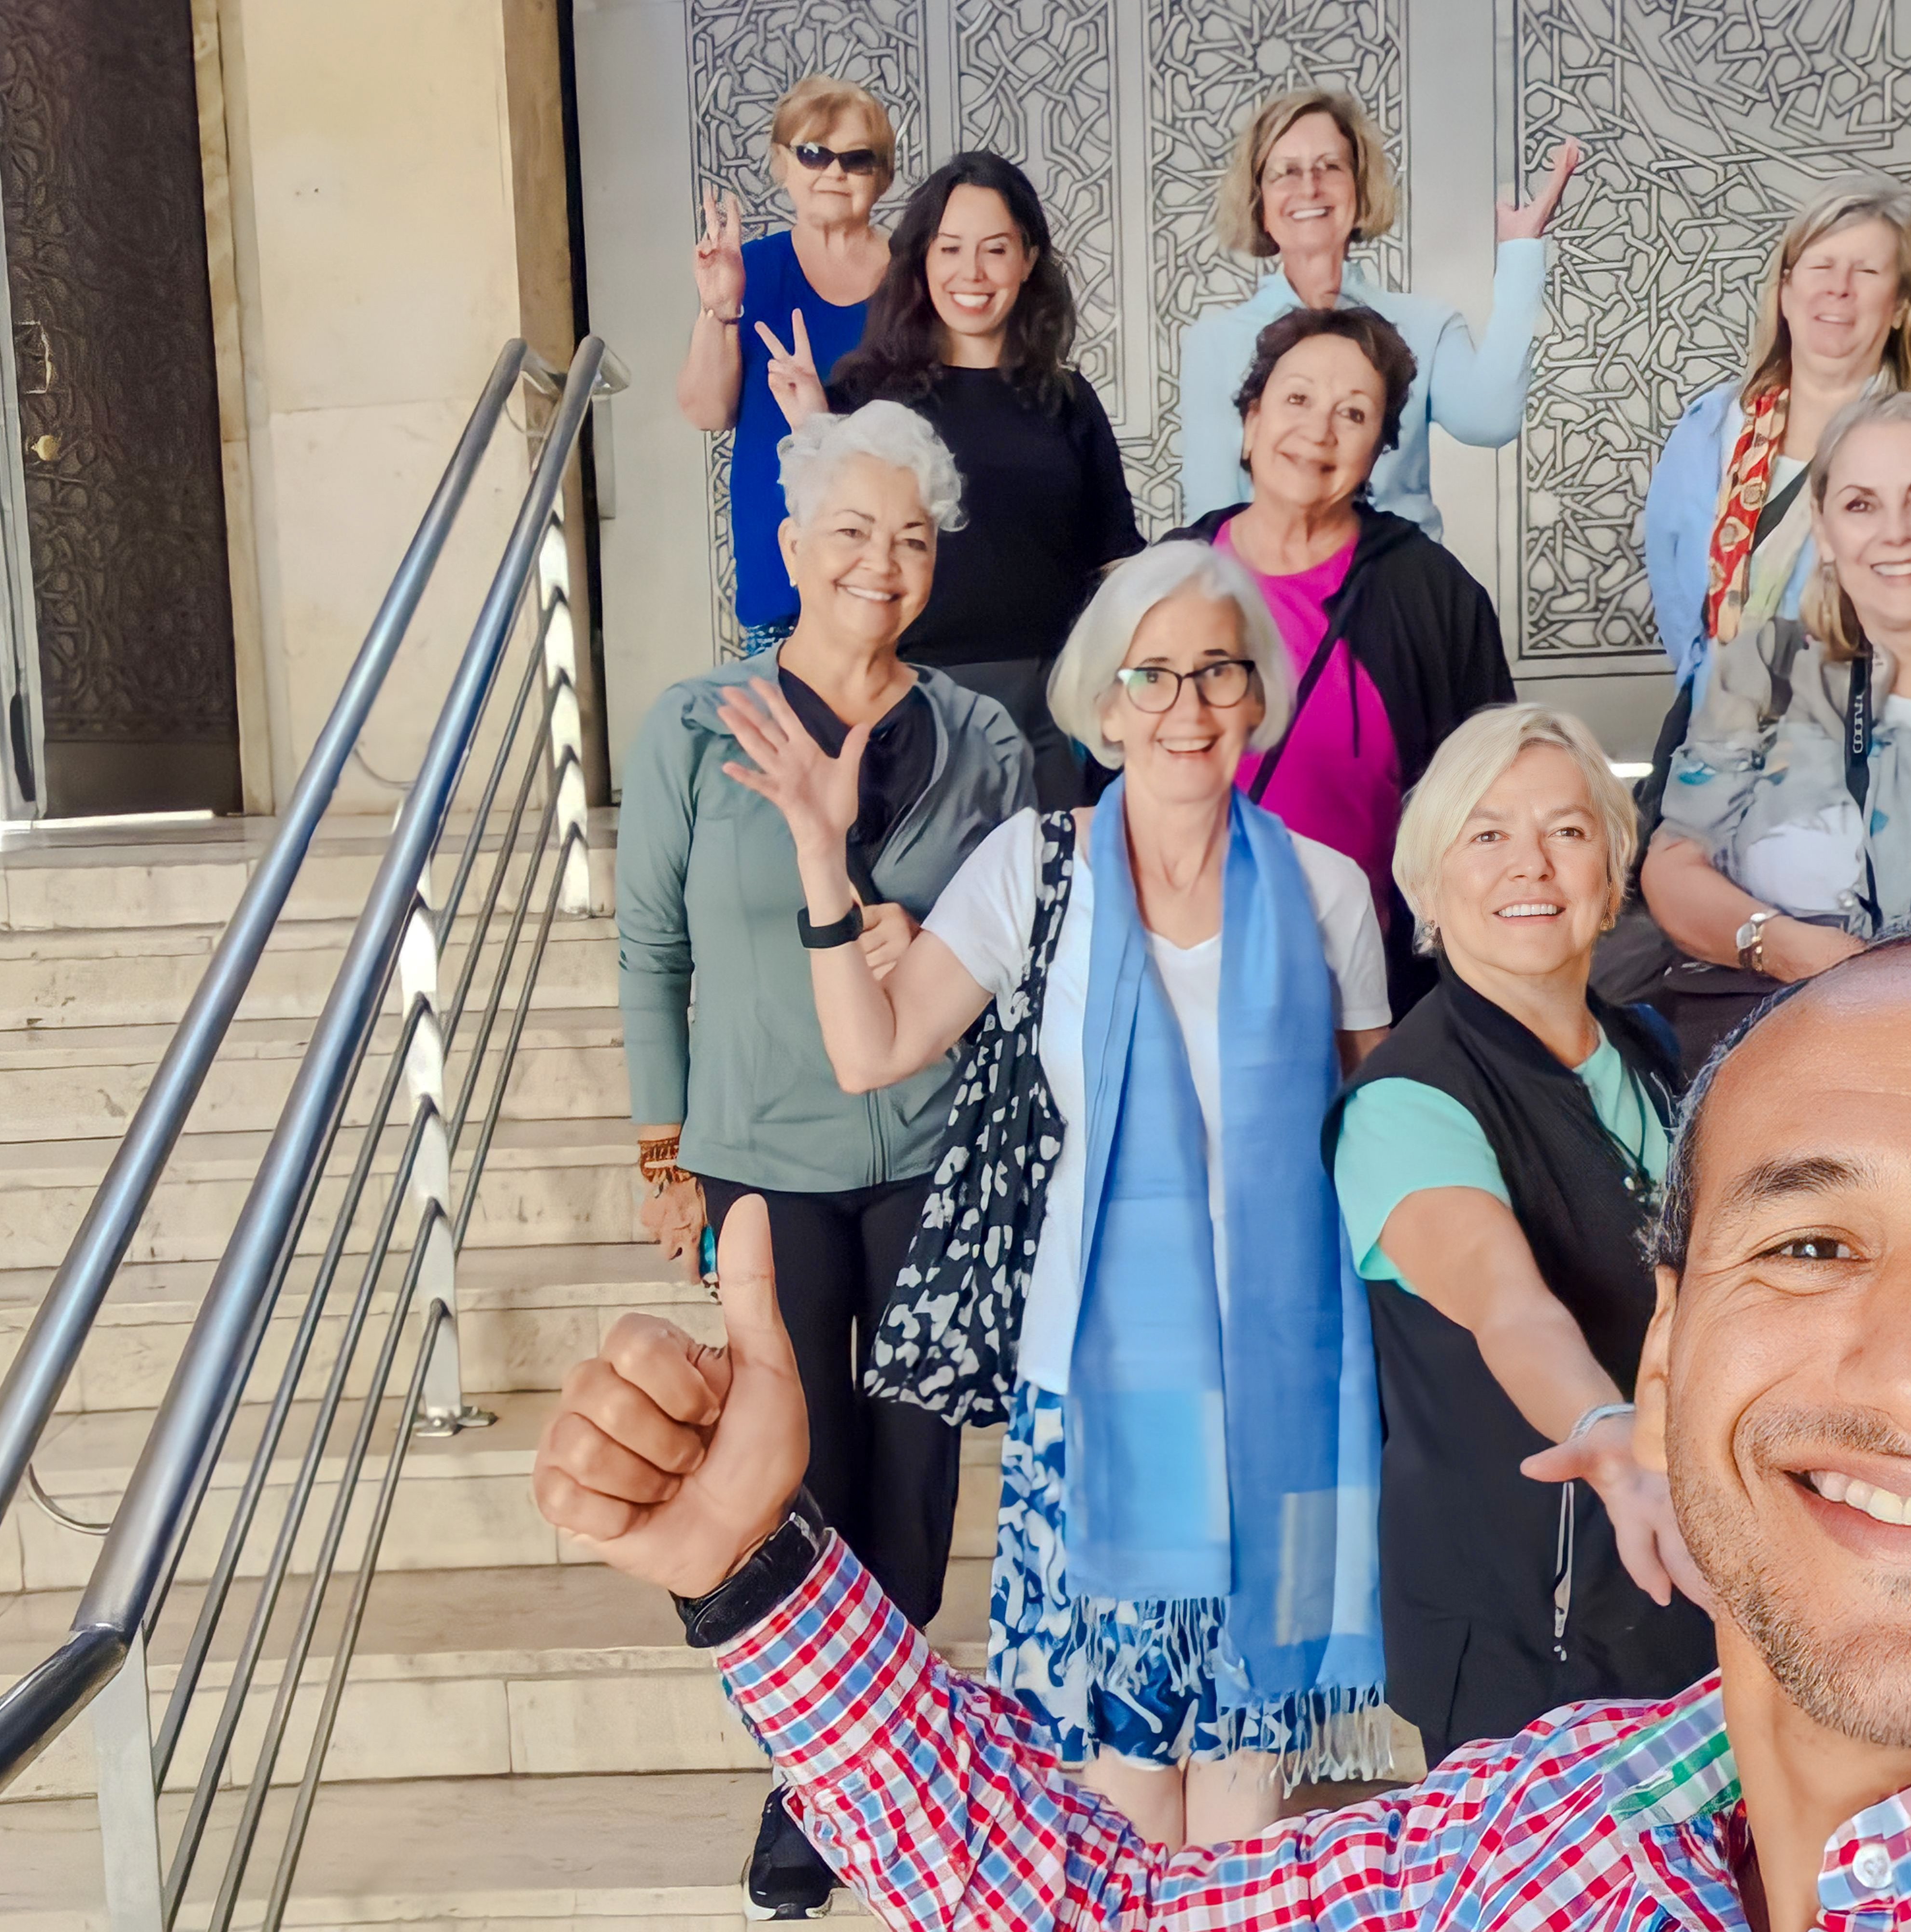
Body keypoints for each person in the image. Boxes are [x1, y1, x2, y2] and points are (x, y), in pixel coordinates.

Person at [534, 928, 1911, 1930]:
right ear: (1664, 1375)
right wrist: (754, 1567)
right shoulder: (1524, 1830)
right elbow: (1110, 1906)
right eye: (1807, 1247)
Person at [707, 539, 1395, 1849]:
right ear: (1105, 701)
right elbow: (874, 1050)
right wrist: (819, 851)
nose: (1187, 707)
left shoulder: (1328, 895)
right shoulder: (1037, 868)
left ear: (1259, 698)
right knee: (1120, 1779)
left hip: (1292, 1394)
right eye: (1154, 676)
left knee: (1252, 1793)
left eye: (1217, 673)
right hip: (1097, 1385)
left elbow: (1367, 1149)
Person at [613, 400, 1030, 1916]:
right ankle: (810, 1771)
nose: (882, 561)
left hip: (924, 1151)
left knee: (913, 1481)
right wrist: (662, 1143)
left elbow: (991, 943)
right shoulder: (690, 724)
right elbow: (650, 946)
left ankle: (873, 1770)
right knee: (793, 1471)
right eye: (852, 531)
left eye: (911, 539)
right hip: (756, 1158)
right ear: (790, 548)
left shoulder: (981, 736)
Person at [1325, 705, 1716, 1768]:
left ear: (1612, 871)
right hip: (1528, 1626)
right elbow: (1511, 1303)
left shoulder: (1646, 1048)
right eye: (1486, 834)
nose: (1529, 865)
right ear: (1428, 882)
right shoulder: (1407, 1099)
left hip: (1687, 1584)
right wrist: (1605, 1426)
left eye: (1567, 830)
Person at [1640, 387, 1911, 1067]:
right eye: (1861, 505)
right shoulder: (1759, 669)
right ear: (1824, 527)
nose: (1896, 531)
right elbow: (1674, 865)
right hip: (1792, 1044)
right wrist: (1784, 946)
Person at [762, 150, 1141, 806]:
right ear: (922, 261)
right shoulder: (862, 393)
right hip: (901, 701)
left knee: (1044, 895)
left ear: (1028, 261)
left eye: (996, 250)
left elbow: (1114, 563)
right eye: (950, 249)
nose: (972, 273)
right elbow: (833, 548)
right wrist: (814, 428)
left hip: (1047, 708)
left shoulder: (1067, 400)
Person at [1169, 306, 1517, 1008]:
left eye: (1353, 414)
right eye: (1296, 399)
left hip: (1375, 987)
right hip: (1183, 969)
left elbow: (1492, 801)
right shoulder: (1170, 582)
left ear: (1378, 450)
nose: (1318, 431)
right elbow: (1102, 779)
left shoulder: (1432, 594)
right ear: (1251, 420)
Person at [1640, 172, 1911, 704]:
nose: (1838, 288)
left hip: (1906, 752)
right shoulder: (1706, 430)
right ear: (1784, 290)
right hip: (1724, 746)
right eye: (1821, 266)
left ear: (1900, 307)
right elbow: (1678, 611)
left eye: (1867, 271)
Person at [1180, 86, 1579, 540]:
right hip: (1269, 602)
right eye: (1286, 172)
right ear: (1259, 202)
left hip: (1401, 595)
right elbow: (1210, 520)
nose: (1309, 187)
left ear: (1359, 186)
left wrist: (1520, 252)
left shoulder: (1424, 326)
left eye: (1330, 167)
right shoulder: (1213, 343)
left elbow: (1489, 420)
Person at [672, 76, 897, 653]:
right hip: (782, 577)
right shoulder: (748, 267)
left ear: (883, 174)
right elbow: (705, 410)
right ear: (783, 163)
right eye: (814, 154)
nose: (834, 172)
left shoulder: (915, 276)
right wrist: (720, 309)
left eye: (856, 159)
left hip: (894, 572)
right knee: (791, 744)